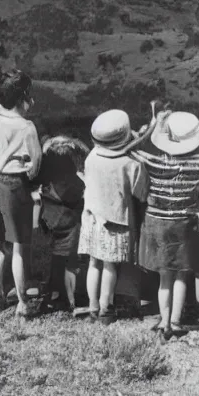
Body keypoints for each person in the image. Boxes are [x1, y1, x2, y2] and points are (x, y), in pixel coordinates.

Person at [133, 111, 199, 342]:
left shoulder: (153, 161)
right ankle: (175, 321)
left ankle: (164, 321)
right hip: (184, 224)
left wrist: (154, 126)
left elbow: (129, 148)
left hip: (157, 222)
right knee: (182, 275)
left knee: (164, 277)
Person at [79, 109, 148, 324]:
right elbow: (141, 193)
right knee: (110, 266)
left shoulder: (91, 157)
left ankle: (92, 307)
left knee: (93, 263)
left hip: (91, 219)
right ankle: (105, 308)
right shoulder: (131, 164)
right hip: (115, 221)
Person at [0, 70, 41, 316]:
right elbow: (35, 163)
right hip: (16, 184)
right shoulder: (27, 127)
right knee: (19, 247)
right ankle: (22, 302)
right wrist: (29, 174)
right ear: (22, 98)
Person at [36, 136, 89, 312]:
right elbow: (77, 197)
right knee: (70, 263)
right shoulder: (71, 182)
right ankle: (71, 300)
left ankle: (50, 294)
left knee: (52, 262)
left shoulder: (46, 180)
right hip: (69, 223)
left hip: (49, 220)